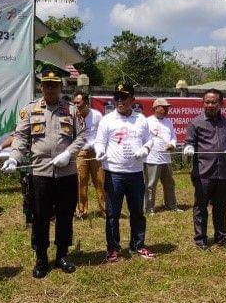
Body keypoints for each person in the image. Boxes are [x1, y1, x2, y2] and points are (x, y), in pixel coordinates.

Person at [2, 67, 85, 278]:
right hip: (40, 173)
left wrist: (68, 153)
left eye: (54, 85)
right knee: (40, 216)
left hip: (66, 173)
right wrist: (14, 157)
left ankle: (62, 254)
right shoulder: (30, 110)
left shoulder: (71, 110)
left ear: (60, 87)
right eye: (47, 85)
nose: (50, 88)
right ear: (41, 87)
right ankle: (41, 258)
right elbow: (21, 137)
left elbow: (82, 137)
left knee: (65, 215)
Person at [93, 83, 156, 262]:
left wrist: (145, 149)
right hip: (114, 173)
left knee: (137, 211)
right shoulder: (107, 120)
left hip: (135, 173)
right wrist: (100, 151)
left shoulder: (141, 119)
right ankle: (113, 248)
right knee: (113, 213)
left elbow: (149, 140)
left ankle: (138, 244)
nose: (120, 101)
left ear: (132, 99)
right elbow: (99, 142)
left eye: (124, 97)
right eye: (117, 97)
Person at [183, 89, 226, 250]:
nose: (210, 105)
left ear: (220, 103)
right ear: (203, 103)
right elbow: (189, 142)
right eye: (207, 102)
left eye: (213, 102)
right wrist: (188, 148)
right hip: (203, 173)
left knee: (221, 206)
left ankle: (221, 237)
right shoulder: (196, 123)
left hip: (223, 173)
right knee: (201, 207)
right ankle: (200, 239)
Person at [73, 91, 106, 219]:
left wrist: (97, 146)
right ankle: (82, 211)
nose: (76, 105)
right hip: (81, 151)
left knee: (100, 181)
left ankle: (104, 210)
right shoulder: (73, 117)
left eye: (78, 102)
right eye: (74, 102)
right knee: (81, 181)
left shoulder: (96, 115)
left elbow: (102, 133)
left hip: (95, 151)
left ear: (86, 102)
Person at [144, 97, 180, 214]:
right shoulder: (147, 121)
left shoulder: (168, 121)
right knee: (150, 184)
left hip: (166, 158)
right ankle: (149, 208)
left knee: (169, 183)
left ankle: (171, 205)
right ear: (155, 108)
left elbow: (173, 136)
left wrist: (172, 144)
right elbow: (143, 138)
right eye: (163, 108)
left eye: (167, 108)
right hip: (152, 158)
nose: (166, 110)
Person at [0, 134, 33, 226]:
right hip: (27, 161)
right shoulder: (24, 125)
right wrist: (1, 147)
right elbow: (15, 136)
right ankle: (29, 218)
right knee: (27, 188)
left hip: (43, 161)